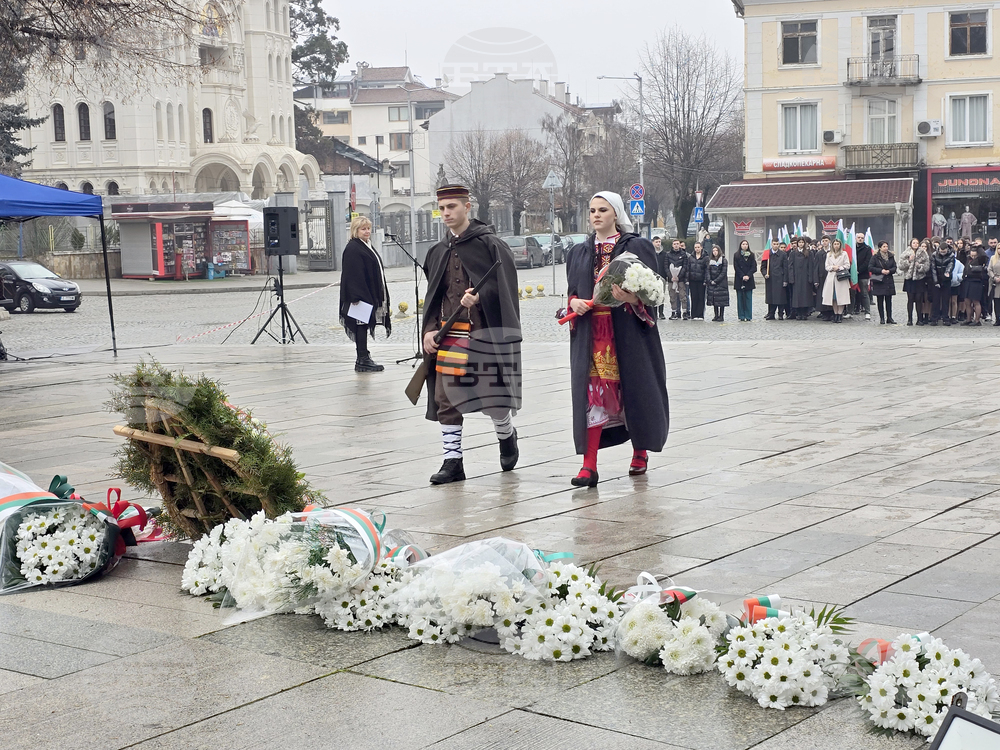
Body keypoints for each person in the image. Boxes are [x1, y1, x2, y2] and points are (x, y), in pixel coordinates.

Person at [566, 191, 670, 487]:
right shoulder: (579, 252)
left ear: (616, 214)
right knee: (593, 396)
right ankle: (589, 465)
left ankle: (640, 451)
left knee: (633, 391)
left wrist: (632, 297)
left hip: (627, 334)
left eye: (602, 210)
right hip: (593, 336)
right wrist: (574, 303)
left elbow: (653, 292)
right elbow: (572, 291)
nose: (596, 215)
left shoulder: (636, 247)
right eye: (592, 210)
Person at [421, 184, 522, 485]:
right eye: (441, 209)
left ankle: (506, 435)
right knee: (446, 399)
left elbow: (504, 290)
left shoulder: (491, 245)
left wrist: (480, 297)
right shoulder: (437, 251)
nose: (446, 213)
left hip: (483, 333)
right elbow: (433, 297)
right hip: (450, 335)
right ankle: (453, 462)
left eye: (452, 207)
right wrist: (428, 330)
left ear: (468, 207)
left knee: (493, 401)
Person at [339, 216, 391, 372]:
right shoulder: (353, 248)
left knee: (364, 325)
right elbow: (351, 274)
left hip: (367, 293)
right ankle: (362, 359)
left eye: (368, 228)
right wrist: (355, 296)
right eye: (363, 229)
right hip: (359, 295)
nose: (367, 231)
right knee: (360, 326)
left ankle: (363, 357)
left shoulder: (366, 245)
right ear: (356, 230)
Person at [898, 238, 931, 326]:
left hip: (919, 279)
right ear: (911, 244)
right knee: (910, 299)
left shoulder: (923, 253)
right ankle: (909, 319)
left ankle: (919, 319)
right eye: (914, 243)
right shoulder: (906, 252)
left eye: (917, 243)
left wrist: (919, 266)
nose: (915, 244)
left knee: (919, 299)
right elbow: (900, 265)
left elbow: (927, 266)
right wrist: (909, 261)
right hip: (909, 279)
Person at [788, 238, 816, 320]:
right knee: (797, 296)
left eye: (802, 242)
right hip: (796, 277)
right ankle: (798, 313)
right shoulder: (793, 253)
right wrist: (791, 278)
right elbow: (790, 266)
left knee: (805, 296)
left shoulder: (809, 253)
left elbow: (811, 265)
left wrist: (811, 277)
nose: (800, 244)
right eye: (799, 242)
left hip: (805, 277)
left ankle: (804, 313)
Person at [869, 241, 897, 324]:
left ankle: (889, 317)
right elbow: (870, 267)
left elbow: (895, 267)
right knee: (880, 300)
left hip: (888, 280)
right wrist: (881, 271)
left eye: (887, 246)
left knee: (889, 300)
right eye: (884, 246)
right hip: (879, 281)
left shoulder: (891, 256)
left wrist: (889, 271)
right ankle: (882, 318)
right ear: (880, 248)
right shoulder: (875, 257)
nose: (886, 248)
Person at [823, 240, 851, 322]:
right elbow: (826, 266)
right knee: (833, 298)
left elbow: (847, 265)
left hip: (841, 278)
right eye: (834, 244)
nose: (836, 245)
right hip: (831, 278)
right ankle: (835, 314)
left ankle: (840, 314)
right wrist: (832, 268)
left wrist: (838, 267)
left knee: (841, 297)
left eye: (837, 244)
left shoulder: (844, 254)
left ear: (840, 245)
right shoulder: (829, 254)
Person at [929, 240, 955, 325]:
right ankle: (934, 318)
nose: (942, 253)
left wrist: (947, 274)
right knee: (935, 300)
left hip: (946, 280)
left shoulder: (951, 255)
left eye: (944, 252)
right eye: (941, 251)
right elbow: (933, 268)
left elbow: (950, 266)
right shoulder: (934, 255)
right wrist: (936, 281)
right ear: (938, 249)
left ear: (947, 249)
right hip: (936, 278)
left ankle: (945, 318)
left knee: (945, 300)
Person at [664, 239, 690, 320]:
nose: (676, 245)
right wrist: (671, 276)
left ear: (679, 245)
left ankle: (685, 312)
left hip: (681, 279)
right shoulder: (668, 255)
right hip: (671, 279)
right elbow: (666, 267)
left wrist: (679, 276)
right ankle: (673, 312)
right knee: (672, 296)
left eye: (677, 244)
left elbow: (685, 266)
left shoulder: (684, 254)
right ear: (672, 245)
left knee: (683, 296)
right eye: (674, 244)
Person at [762, 241, 788, 320]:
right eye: (774, 244)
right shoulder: (767, 254)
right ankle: (771, 313)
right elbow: (763, 267)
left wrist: (785, 280)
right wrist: (765, 274)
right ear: (771, 244)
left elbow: (785, 268)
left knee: (780, 298)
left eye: (777, 244)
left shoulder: (783, 254)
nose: (775, 246)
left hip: (780, 278)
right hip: (770, 279)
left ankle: (780, 313)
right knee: (771, 297)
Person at [963, 246, 987, 325]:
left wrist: (979, 247)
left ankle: (977, 320)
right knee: (967, 301)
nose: (973, 256)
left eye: (974, 255)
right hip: (967, 281)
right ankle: (968, 319)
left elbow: (984, 255)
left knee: (976, 301)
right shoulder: (968, 259)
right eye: (971, 254)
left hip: (976, 281)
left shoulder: (980, 260)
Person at [733, 239, 756, 321]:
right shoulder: (736, 255)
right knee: (740, 299)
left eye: (746, 244)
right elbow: (736, 267)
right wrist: (742, 276)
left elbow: (754, 267)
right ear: (740, 245)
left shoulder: (752, 255)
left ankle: (748, 315)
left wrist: (748, 275)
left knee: (748, 299)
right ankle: (741, 315)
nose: (745, 245)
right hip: (740, 279)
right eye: (743, 244)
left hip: (749, 280)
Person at [687, 242, 710, 320]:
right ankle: (693, 314)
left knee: (701, 297)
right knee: (694, 297)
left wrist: (706, 280)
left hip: (701, 280)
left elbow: (707, 269)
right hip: (692, 280)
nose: (697, 249)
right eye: (695, 247)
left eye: (698, 247)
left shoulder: (705, 257)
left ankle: (700, 315)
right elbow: (688, 269)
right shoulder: (691, 257)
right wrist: (687, 279)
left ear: (701, 248)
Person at [706, 245, 729, 322]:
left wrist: (716, 280)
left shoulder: (723, 260)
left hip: (721, 283)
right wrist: (709, 280)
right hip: (712, 282)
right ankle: (716, 315)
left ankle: (721, 315)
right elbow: (708, 271)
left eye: (716, 250)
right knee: (714, 299)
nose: (715, 252)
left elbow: (723, 272)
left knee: (721, 300)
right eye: (713, 251)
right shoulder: (710, 261)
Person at [854, 232, 873, 320]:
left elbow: (867, 262)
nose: (860, 239)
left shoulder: (867, 248)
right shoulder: (852, 248)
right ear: (856, 238)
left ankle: (867, 312)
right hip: (853, 274)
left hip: (863, 274)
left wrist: (859, 270)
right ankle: (850, 311)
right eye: (859, 237)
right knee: (852, 292)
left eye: (862, 237)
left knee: (864, 293)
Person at [813, 236, 832, 320]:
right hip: (821, 277)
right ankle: (824, 313)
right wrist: (816, 279)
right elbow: (815, 267)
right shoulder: (819, 253)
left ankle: (831, 312)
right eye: (823, 241)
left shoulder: (832, 252)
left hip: (831, 276)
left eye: (826, 240)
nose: (824, 242)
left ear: (829, 241)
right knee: (822, 295)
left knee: (830, 294)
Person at [652, 236, 667, 319]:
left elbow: (666, 265)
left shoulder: (664, 254)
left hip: (662, 277)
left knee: (661, 295)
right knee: (653, 295)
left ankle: (661, 312)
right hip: (652, 277)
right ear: (653, 243)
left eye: (659, 242)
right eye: (656, 242)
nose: (658, 243)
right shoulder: (650, 253)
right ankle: (654, 313)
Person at [987, 246, 1000, 324]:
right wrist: (994, 277)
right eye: (998, 248)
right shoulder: (993, 258)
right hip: (995, 282)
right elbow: (989, 269)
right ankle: (997, 319)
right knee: (996, 301)